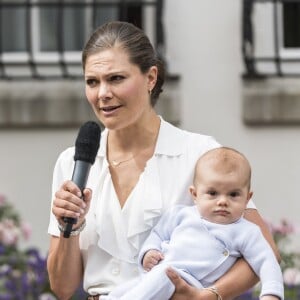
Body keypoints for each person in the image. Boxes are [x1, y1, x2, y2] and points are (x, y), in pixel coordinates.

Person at [47, 21, 280, 300]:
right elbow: (62, 287)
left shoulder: (199, 153)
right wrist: (67, 228)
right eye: (92, 82)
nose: (102, 94)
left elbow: (265, 252)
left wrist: (211, 295)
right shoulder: (72, 163)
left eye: (116, 78)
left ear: (151, 78)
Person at [100, 147, 284, 300]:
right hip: (153, 276)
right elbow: (157, 236)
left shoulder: (246, 232)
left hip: (188, 284)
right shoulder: (180, 214)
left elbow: (267, 262)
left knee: (161, 278)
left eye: (233, 194)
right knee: (122, 291)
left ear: (247, 198)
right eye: (212, 193)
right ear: (194, 194)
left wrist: (271, 294)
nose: (222, 201)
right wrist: (149, 252)